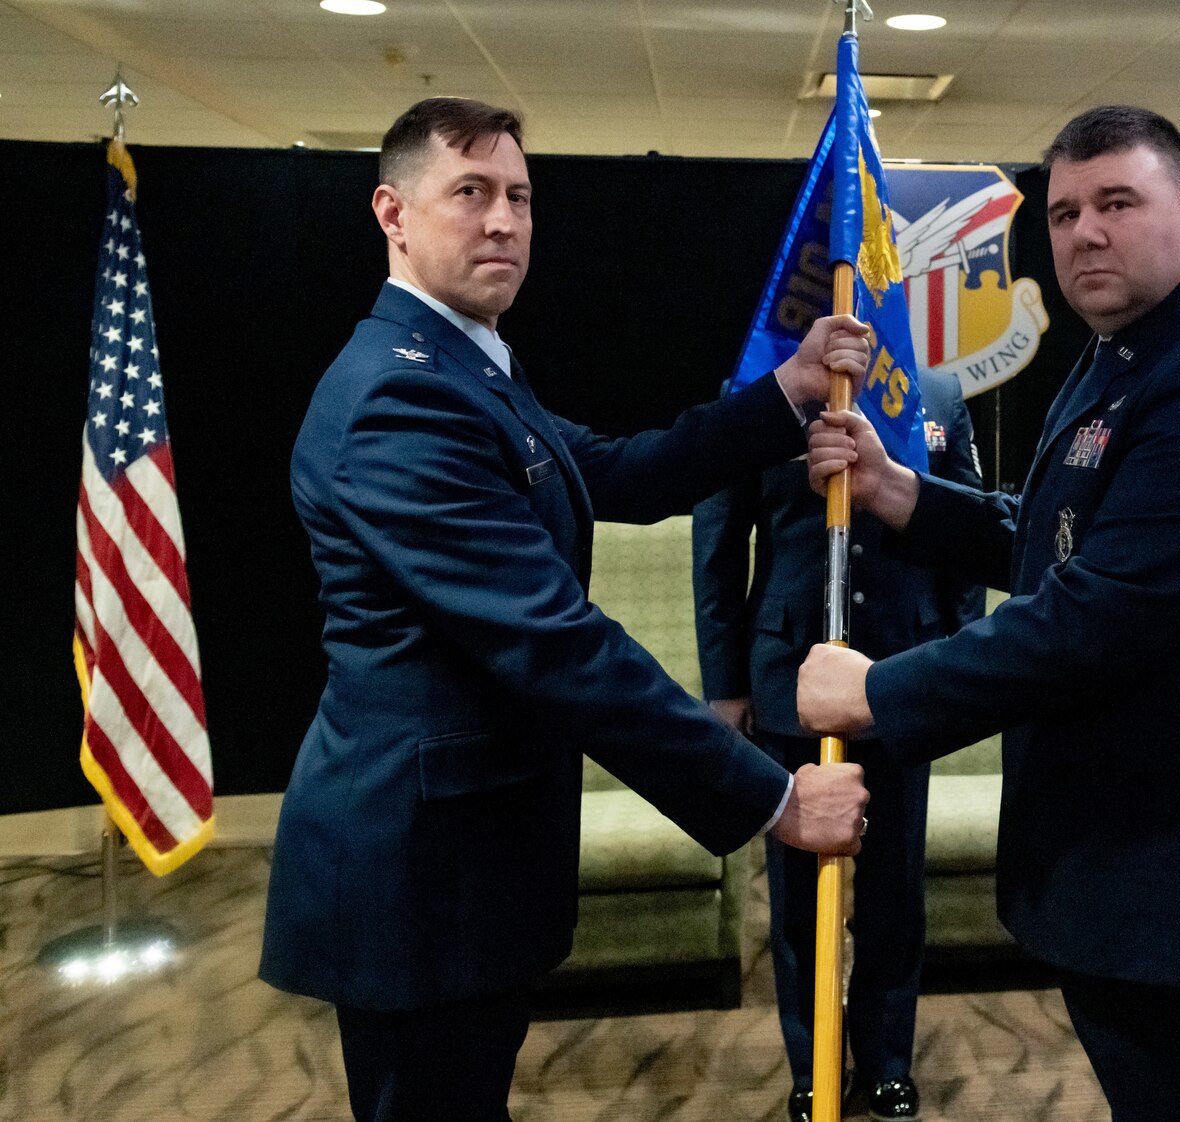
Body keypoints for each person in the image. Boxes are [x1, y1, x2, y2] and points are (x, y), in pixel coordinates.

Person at [261, 97, 872, 1122]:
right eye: (469, 192)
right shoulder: (397, 400)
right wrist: (770, 798)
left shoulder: (467, 366)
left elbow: (617, 472)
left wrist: (790, 390)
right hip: (420, 875)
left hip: (469, 857)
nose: (502, 219)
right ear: (392, 212)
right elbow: (554, 640)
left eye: (518, 196)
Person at [796, 106, 1180, 1122]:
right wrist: (902, 494)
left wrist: (876, 690)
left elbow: (1097, 615)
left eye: (1115, 203)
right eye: (1061, 213)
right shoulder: (1126, 351)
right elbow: (1062, 538)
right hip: (1130, 859)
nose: (1083, 232)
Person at [691, 366, 985, 1122]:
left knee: (894, 897)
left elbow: (968, 542)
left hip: (903, 674)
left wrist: (959, 667)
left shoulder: (940, 396)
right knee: (794, 904)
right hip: (788, 681)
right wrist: (724, 684)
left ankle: (887, 1060)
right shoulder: (762, 390)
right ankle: (812, 1065)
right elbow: (719, 544)